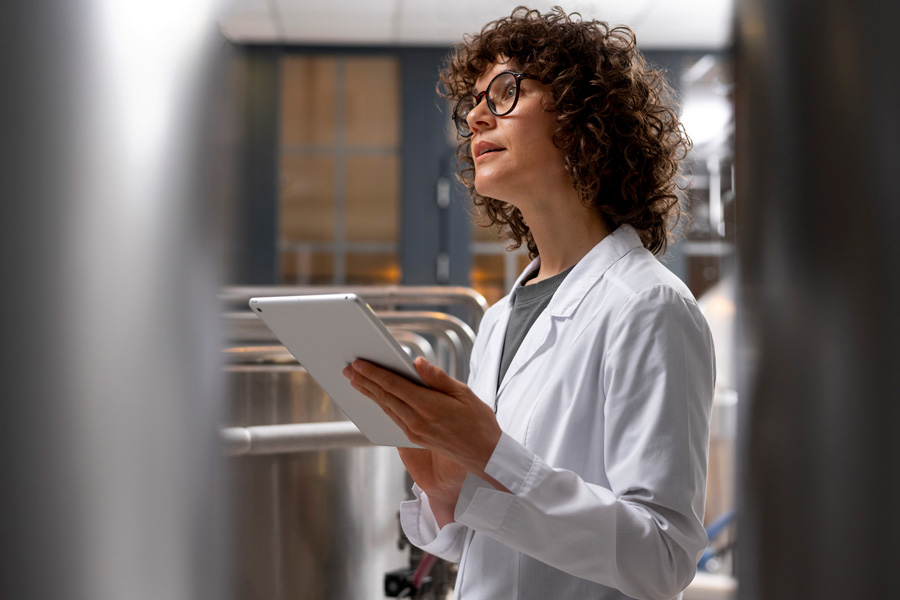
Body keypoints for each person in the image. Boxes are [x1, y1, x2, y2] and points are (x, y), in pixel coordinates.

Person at [343, 6, 715, 600]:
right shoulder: (498, 320)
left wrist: (492, 455)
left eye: (506, 91)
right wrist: (446, 486)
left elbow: (663, 558)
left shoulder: (649, 306)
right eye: (474, 103)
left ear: (583, 116)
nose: (478, 115)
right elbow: (489, 542)